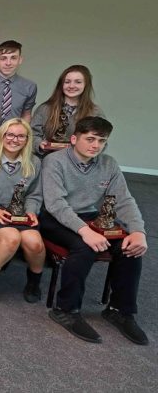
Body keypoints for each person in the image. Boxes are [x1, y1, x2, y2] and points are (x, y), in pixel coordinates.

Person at [41, 116, 148, 345]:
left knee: (129, 246)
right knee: (84, 247)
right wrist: (84, 231)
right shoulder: (54, 161)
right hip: (54, 218)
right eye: (90, 139)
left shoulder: (108, 164)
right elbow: (56, 204)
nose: (95, 145)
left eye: (101, 141)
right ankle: (65, 309)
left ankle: (119, 309)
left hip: (90, 216)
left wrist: (138, 231)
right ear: (74, 139)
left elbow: (124, 201)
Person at [0, 118, 45, 310]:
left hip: (20, 213)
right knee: (11, 238)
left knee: (34, 243)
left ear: (27, 139)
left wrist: (31, 211)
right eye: (10, 134)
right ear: (2, 136)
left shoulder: (34, 163)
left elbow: (34, 194)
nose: (15, 139)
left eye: (21, 136)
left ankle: (34, 282)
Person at [31, 65, 104, 156]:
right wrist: (38, 144)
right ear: (61, 85)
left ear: (86, 85)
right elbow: (32, 134)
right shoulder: (44, 108)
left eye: (78, 82)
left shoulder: (95, 112)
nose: (71, 86)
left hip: (79, 163)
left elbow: (102, 140)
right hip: (46, 160)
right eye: (67, 82)